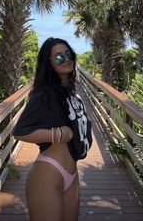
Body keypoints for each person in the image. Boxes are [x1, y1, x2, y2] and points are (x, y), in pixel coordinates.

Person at [12, 37, 92, 221]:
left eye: (68, 54)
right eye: (58, 57)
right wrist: (57, 134)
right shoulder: (44, 93)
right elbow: (20, 131)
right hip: (48, 174)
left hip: (72, 173)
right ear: (49, 64)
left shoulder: (70, 91)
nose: (66, 59)